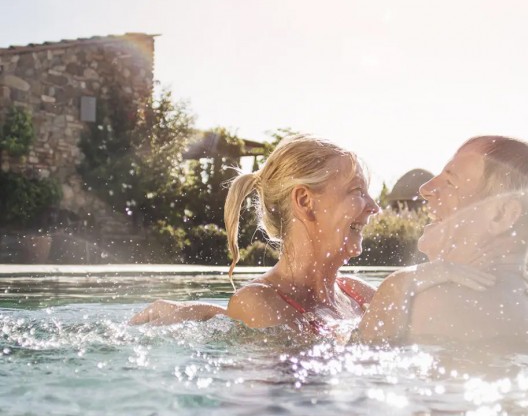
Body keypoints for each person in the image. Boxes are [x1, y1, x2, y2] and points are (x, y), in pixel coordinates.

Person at [130, 134, 497, 334]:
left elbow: (433, 329)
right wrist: (402, 285)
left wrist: (505, 295)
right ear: (305, 202)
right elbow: (329, 372)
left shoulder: (354, 292)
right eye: (356, 192)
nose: (375, 208)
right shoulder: (259, 302)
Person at [356, 135, 528, 345]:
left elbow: (361, 369)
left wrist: (394, 288)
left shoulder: (433, 304)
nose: (425, 190)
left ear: (502, 215)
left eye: (450, 182)